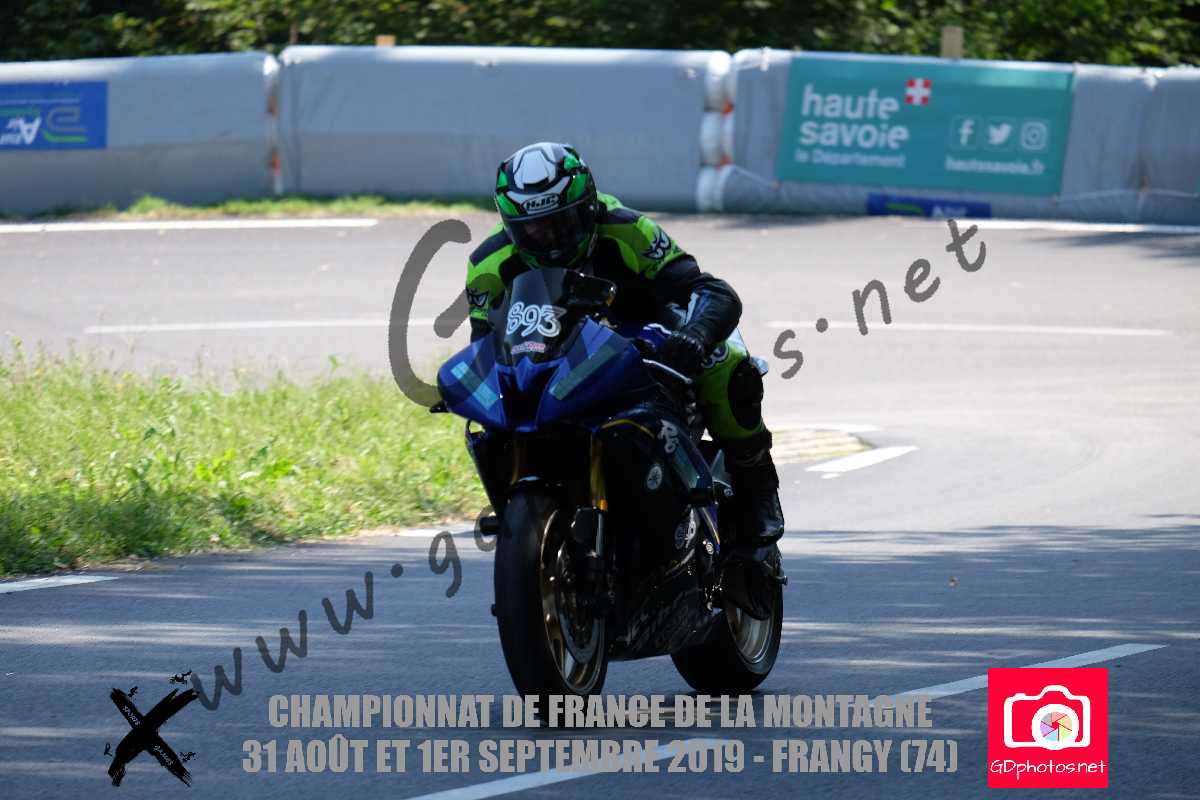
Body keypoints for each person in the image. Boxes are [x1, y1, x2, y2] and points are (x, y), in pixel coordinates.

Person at [465, 141, 784, 615]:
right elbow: (484, 346)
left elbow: (711, 291)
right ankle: (523, 523)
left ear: (588, 205)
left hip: (645, 338)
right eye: (531, 228)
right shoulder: (489, 263)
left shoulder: (627, 230)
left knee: (729, 366)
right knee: (490, 423)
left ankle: (758, 505)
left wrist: (694, 335)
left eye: (560, 222)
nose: (548, 239)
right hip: (556, 357)